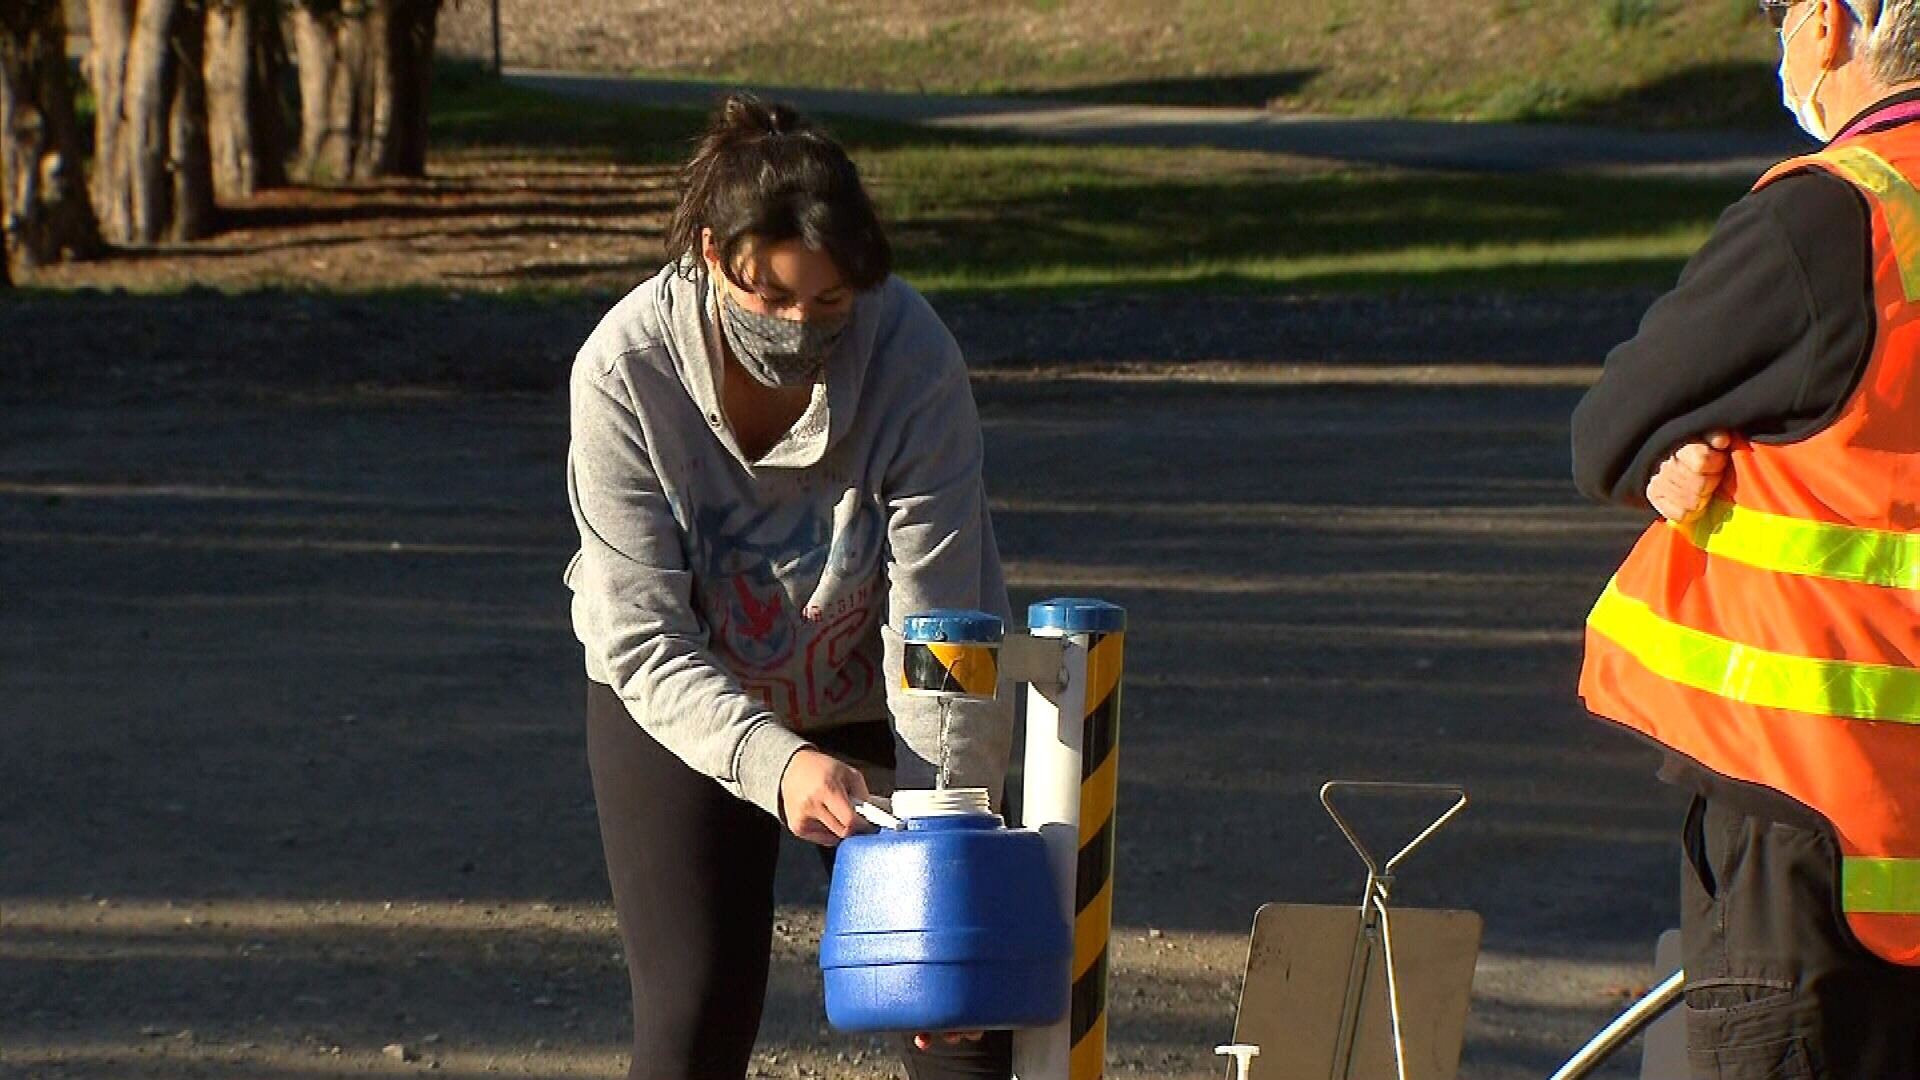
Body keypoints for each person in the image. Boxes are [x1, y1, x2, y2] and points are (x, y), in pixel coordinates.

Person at [564, 94, 1014, 1080]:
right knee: (695, 1013)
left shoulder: (914, 356)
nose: (802, 327)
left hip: (872, 687)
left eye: (830, 304)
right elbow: (642, 637)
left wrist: (945, 827)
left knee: (964, 1017)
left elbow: (946, 624)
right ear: (716, 256)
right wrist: (775, 763)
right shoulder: (623, 371)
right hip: (683, 701)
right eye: (772, 300)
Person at [1572, 1, 1920, 1076]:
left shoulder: (1831, 223)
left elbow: (1609, 429)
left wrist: (1678, 452)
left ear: (1832, 22)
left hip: (1810, 832)